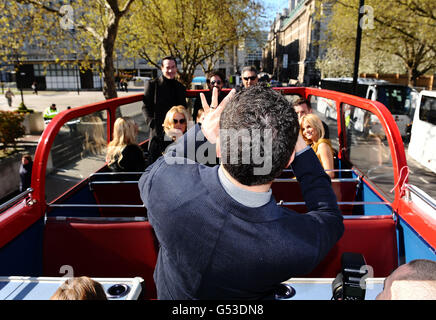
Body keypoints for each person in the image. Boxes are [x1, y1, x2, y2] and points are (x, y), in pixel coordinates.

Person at [138, 84, 344, 300]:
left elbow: (156, 169)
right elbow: (329, 217)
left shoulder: (164, 188)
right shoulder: (293, 245)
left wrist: (202, 132)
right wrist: (298, 144)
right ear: (288, 160)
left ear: (218, 148)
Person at [142, 56, 187, 145]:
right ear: (162, 68)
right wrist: (152, 123)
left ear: (176, 68)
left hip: (175, 132)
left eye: (173, 67)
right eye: (167, 67)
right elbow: (145, 107)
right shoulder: (152, 85)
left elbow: (183, 109)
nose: (170, 70)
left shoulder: (181, 87)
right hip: (157, 132)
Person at [300, 113, 335, 179]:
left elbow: (330, 174)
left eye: (309, 127)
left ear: (316, 126)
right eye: (303, 129)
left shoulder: (322, 146)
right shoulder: (313, 145)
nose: (306, 131)